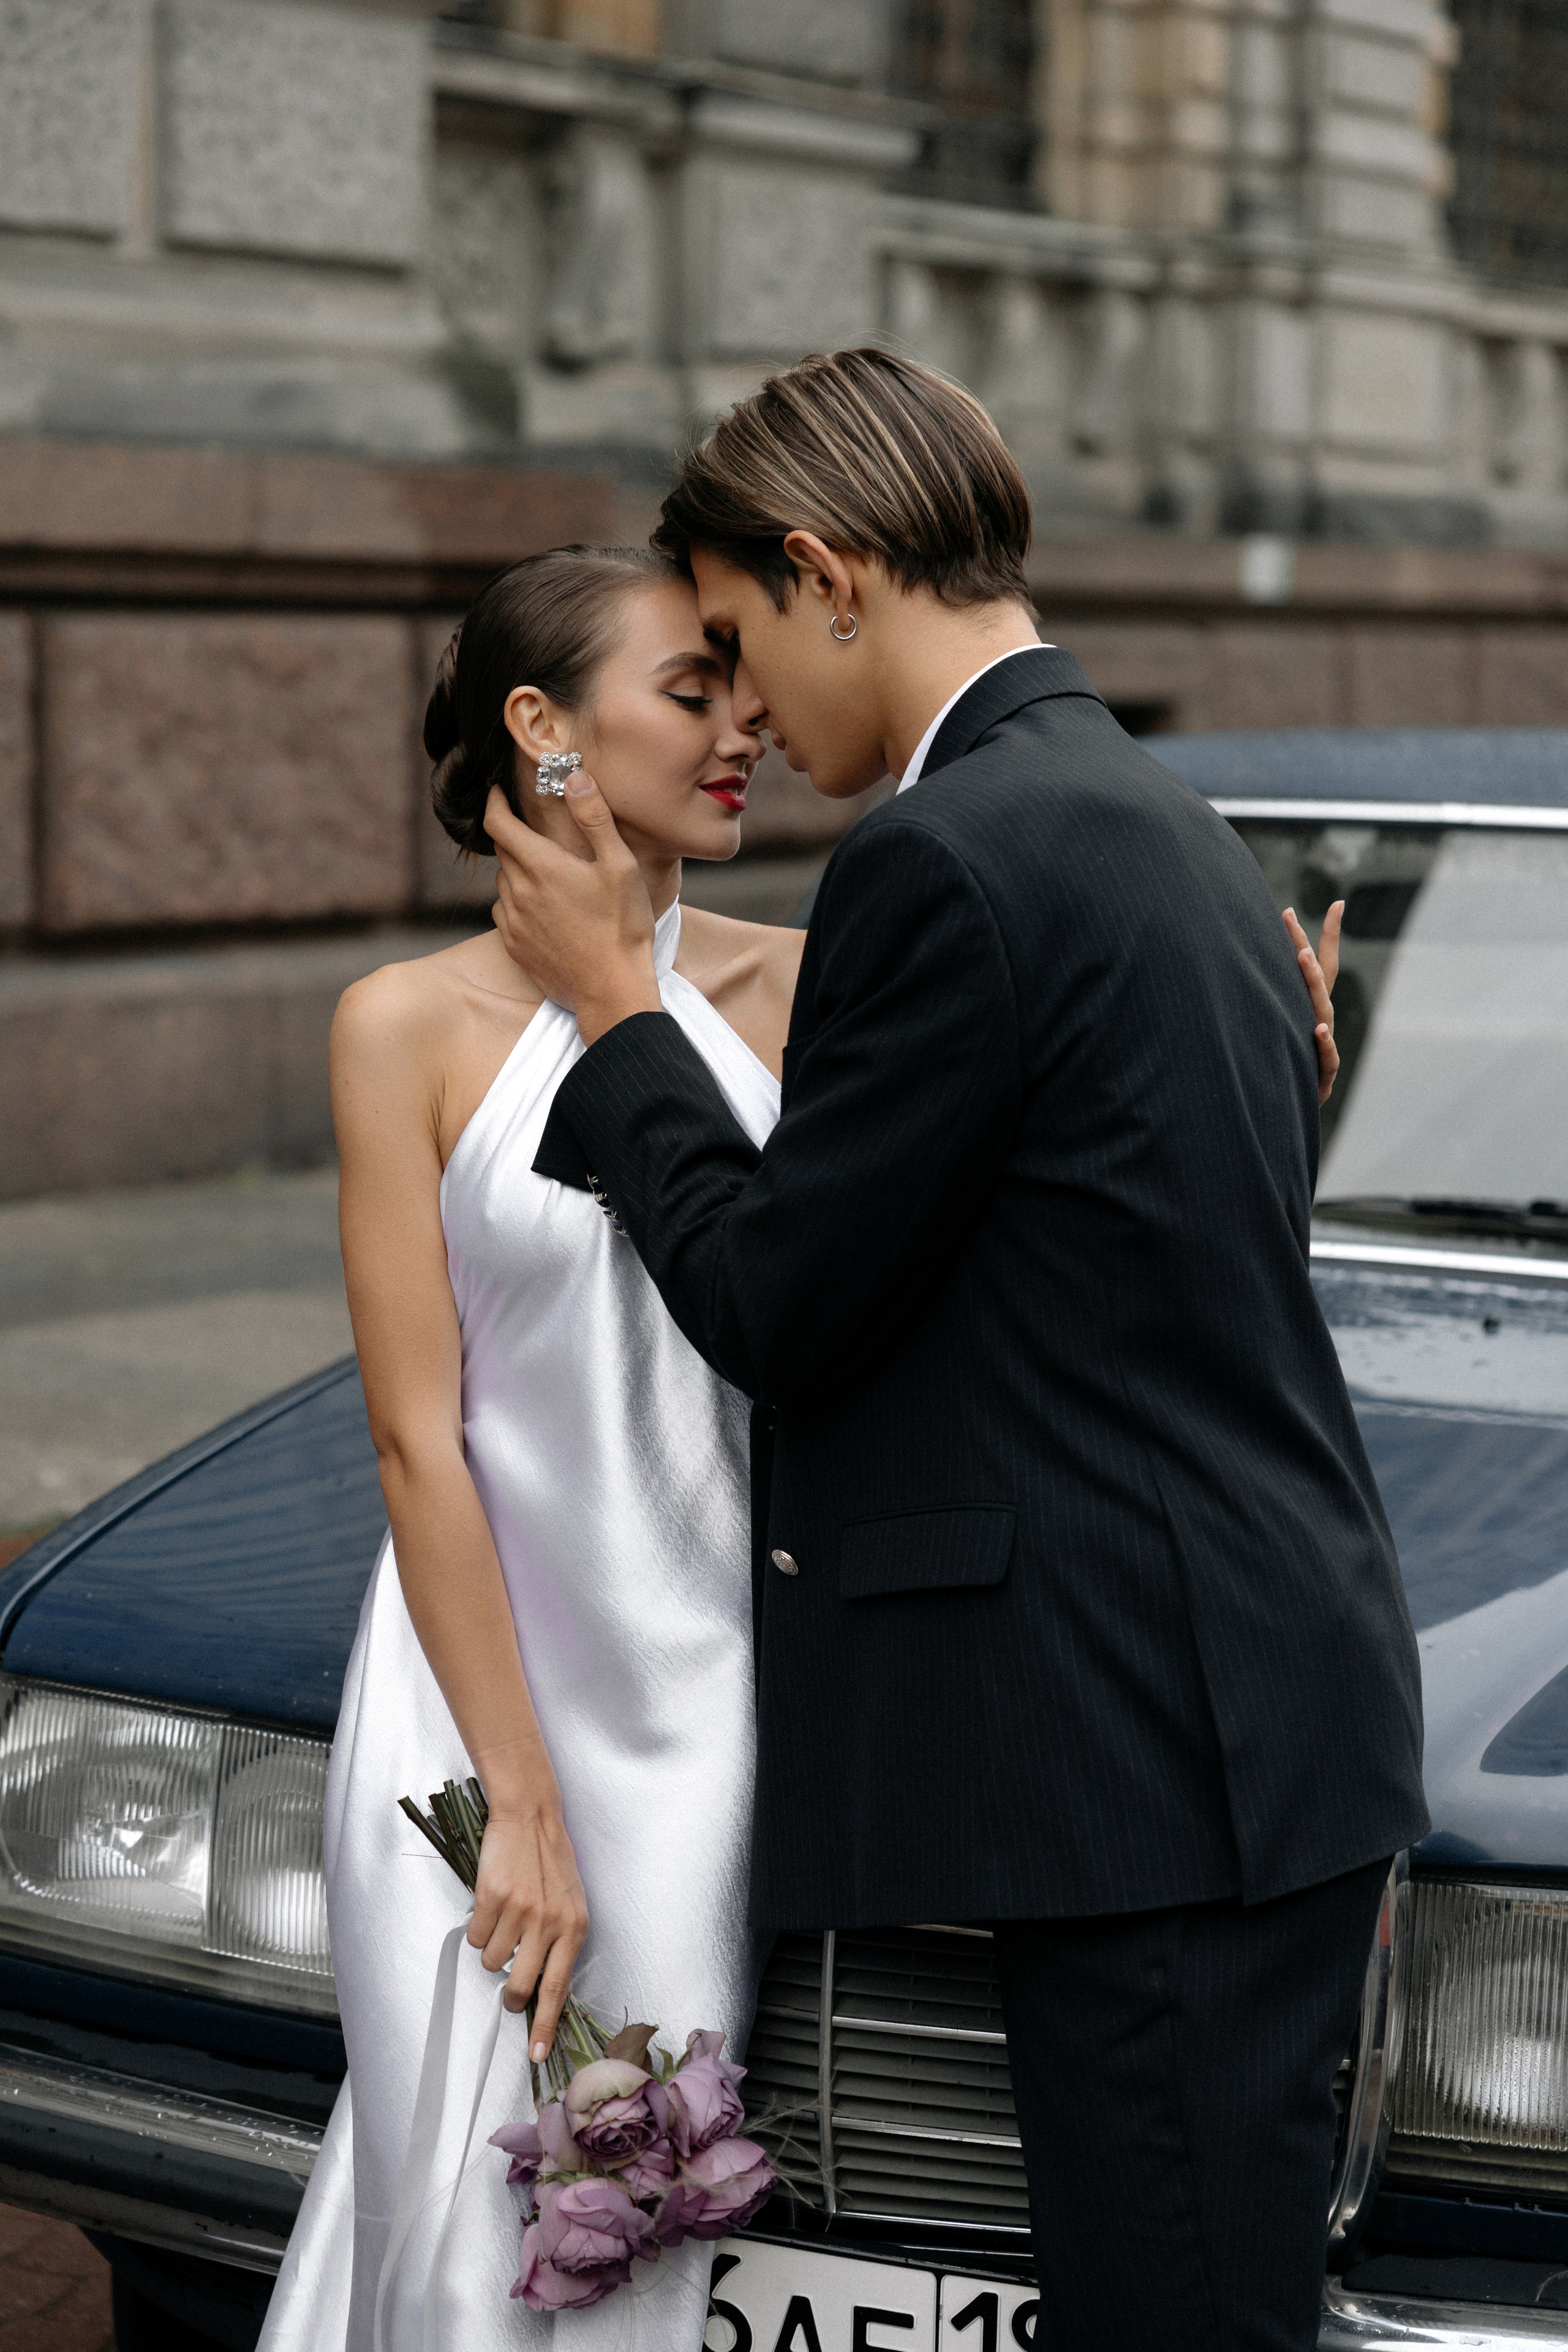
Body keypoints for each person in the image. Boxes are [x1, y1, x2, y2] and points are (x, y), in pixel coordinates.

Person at [480, 350, 1431, 2352]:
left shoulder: (947, 852)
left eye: (739, 644)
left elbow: (781, 1303)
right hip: (1229, 1716)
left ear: (832, 578)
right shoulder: (1158, 817)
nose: (744, 710)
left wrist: (610, 1017)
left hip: (1150, 1751)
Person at [257, 546, 802, 2352]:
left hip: (707, 1708)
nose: (747, 730)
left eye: (744, 688)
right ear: (540, 728)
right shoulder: (399, 1027)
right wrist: (520, 1805)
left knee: (639, 2253)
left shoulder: (802, 988)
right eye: (693, 689)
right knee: (463, 2211)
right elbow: (420, 1438)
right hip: (469, 1712)